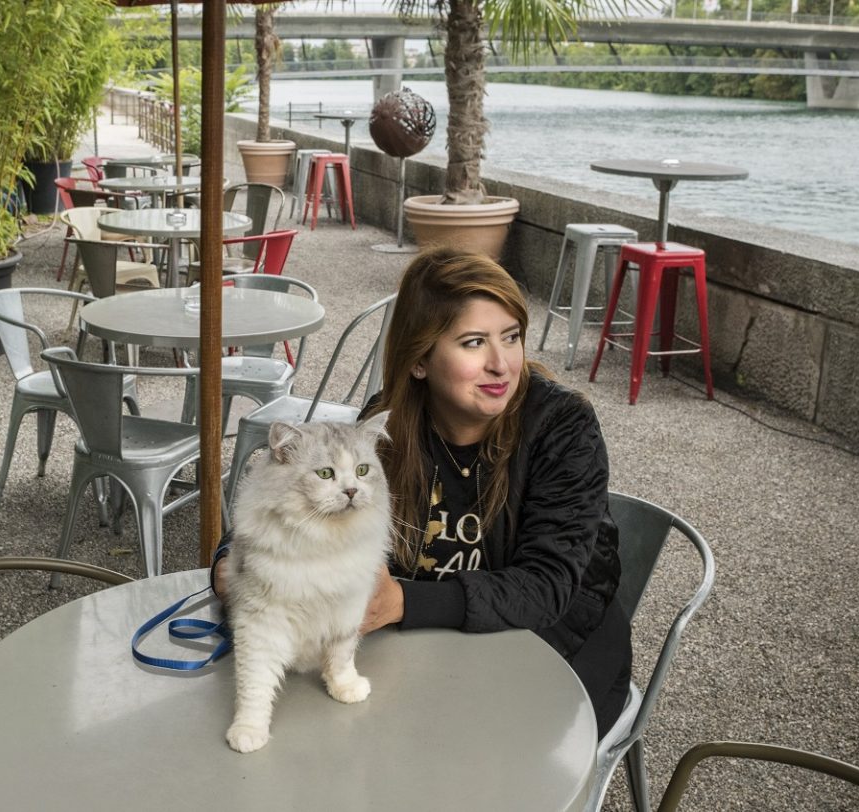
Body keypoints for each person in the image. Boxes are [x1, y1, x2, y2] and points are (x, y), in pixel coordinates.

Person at [216, 246, 631, 738]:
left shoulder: (563, 428)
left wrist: (403, 603)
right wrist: (234, 560)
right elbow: (297, 499)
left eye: (512, 337)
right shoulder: (387, 424)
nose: (502, 364)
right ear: (419, 361)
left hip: (554, 649)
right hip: (428, 646)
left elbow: (548, 585)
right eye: (474, 343)